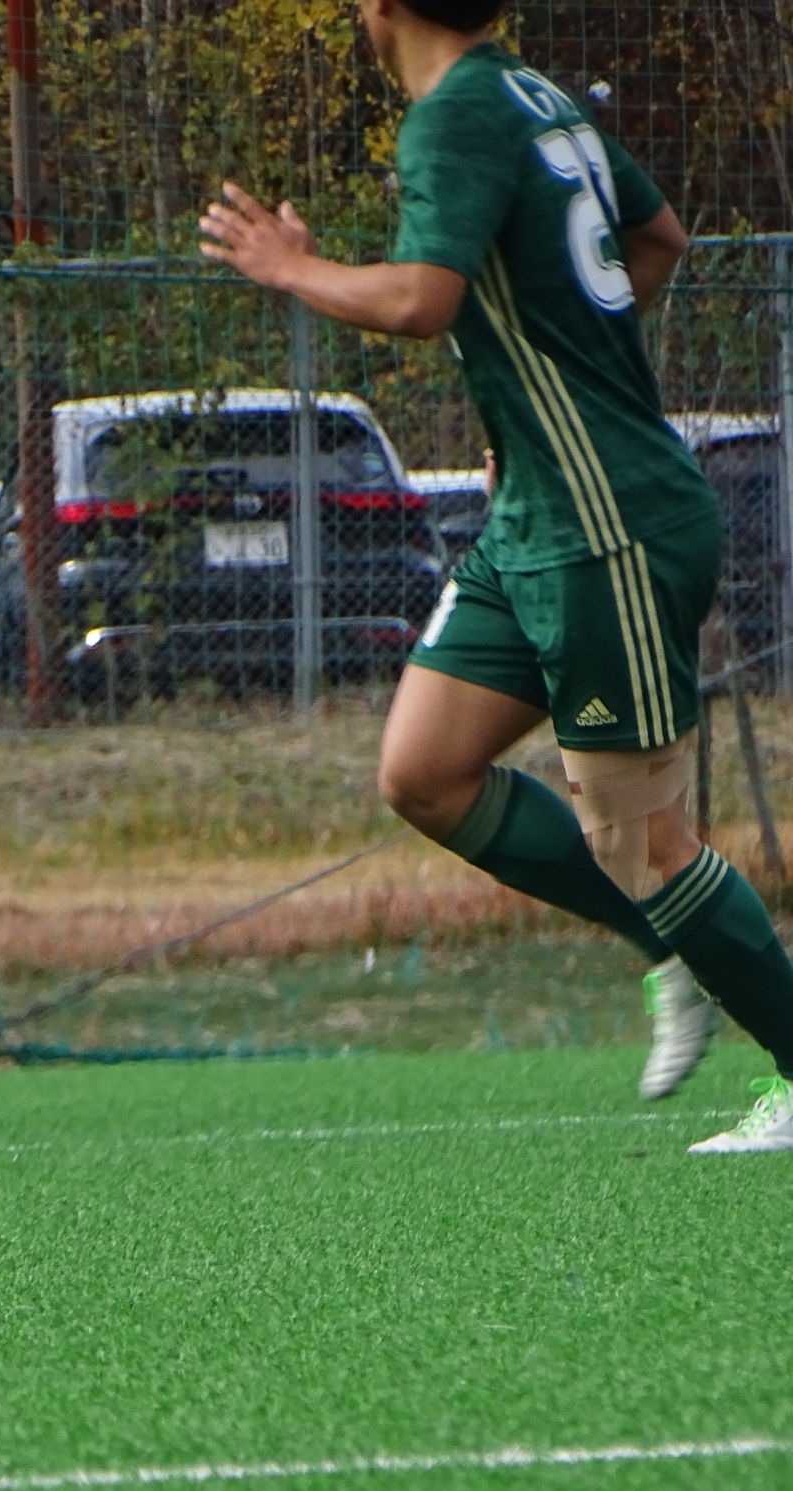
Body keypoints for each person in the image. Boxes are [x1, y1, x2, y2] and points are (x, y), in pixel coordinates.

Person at [198, 0, 793, 1151]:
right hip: (535, 515)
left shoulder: (454, 113)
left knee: (645, 841)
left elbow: (420, 300)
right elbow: (657, 237)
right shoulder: (532, 93)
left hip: (604, 525)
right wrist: (554, 380)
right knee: (424, 773)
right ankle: (672, 939)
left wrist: (293, 267)